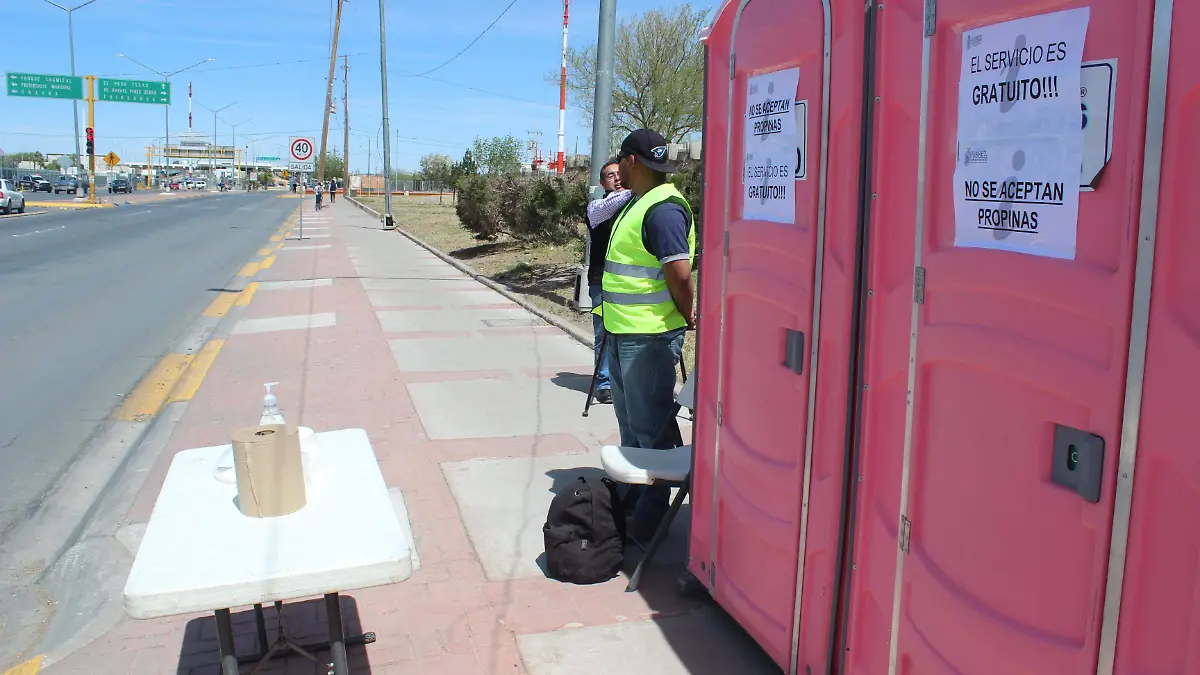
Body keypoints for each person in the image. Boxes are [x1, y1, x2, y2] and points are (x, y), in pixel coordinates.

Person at [594, 129, 695, 540]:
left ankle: (652, 516)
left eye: (622, 161)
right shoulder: (638, 203)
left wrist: (687, 314)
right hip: (623, 332)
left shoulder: (664, 209)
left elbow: (679, 273)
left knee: (651, 426)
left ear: (633, 162)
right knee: (631, 424)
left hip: (650, 337)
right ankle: (634, 496)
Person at [584, 159, 631, 404]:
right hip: (600, 281)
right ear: (603, 183)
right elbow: (617, 200)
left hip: (627, 282)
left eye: (620, 174)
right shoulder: (597, 206)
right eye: (611, 175)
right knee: (603, 333)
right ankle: (604, 384)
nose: (617, 178)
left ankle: (624, 380)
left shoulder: (634, 204)